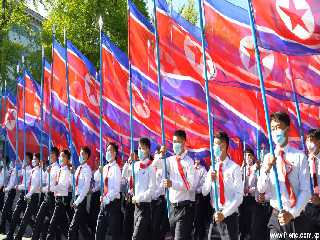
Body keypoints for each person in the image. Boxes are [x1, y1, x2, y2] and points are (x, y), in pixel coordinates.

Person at [257, 112, 311, 239]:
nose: (275, 132)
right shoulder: (268, 157)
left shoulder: (299, 156)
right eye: (273, 128)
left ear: (287, 129)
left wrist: (291, 214)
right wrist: (267, 168)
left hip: (296, 218)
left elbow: (306, 190)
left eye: (278, 127)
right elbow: (261, 189)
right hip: (276, 217)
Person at [153, 129, 195, 240]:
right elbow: (155, 164)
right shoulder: (170, 160)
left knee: (179, 237)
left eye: (178, 141)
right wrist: (160, 154)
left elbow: (190, 185)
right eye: (174, 141)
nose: (175, 144)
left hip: (184, 208)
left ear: (184, 142)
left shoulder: (189, 162)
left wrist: (173, 184)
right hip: (172, 207)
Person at [202, 131, 243, 240]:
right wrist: (210, 179)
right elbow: (204, 191)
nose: (214, 147)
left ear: (224, 146)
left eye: (216, 144)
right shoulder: (212, 168)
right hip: (215, 215)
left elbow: (239, 196)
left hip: (229, 216)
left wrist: (224, 214)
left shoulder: (235, 168)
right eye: (213, 144)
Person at [122, 137, 156, 240]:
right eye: (139, 148)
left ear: (148, 150)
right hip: (136, 207)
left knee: (136, 236)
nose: (141, 150)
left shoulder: (151, 167)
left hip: (145, 206)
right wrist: (128, 162)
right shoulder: (135, 165)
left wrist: (139, 197)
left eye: (143, 148)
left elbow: (152, 189)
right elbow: (124, 175)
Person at [31, 147, 60, 240]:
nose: (50, 155)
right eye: (50, 153)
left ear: (56, 156)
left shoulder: (57, 168)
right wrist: (45, 171)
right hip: (46, 197)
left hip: (52, 196)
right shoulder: (49, 167)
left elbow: (52, 185)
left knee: (52, 221)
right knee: (39, 217)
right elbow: (44, 180)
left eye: (52, 154)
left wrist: (42, 189)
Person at [95, 142, 122, 240]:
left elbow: (116, 189)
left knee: (115, 234)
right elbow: (96, 178)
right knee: (99, 233)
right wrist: (99, 170)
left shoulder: (116, 169)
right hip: (104, 205)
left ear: (115, 153)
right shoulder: (105, 167)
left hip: (113, 205)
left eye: (110, 150)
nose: (107, 152)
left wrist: (107, 198)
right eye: (106, 150)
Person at [5, 152, 33, 240]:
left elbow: (27, 184)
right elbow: (17, 173)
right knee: (16, 215)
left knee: (27, 218)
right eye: (24, 158)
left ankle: (38, 230)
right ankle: (10, 235)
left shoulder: (30, 171)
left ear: (30, 160)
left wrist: (18, 186)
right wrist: (15, 167)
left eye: (27, 159)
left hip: (27, 195)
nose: (24, 160)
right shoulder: (24, 169)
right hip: (22, 195)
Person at [14, 153, 42, 240]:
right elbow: (24, 173)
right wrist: (21, 167)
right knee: (34, 218)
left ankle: (19, 237)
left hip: (33, 196)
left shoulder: (38, 171)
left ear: (39, 161)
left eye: (35, 159)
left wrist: (28, 194)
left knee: (26, 218)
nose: (33, 161)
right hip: (31, 196)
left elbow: (34, 185)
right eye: (33, 159)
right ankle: (39, 234)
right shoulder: (33, 170)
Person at [68, 146, 93, 240]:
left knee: (72, 227)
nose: (80, 156)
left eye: (82, 154)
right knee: (83, 228)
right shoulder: (78, 168)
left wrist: (77, 201)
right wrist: (71, 174)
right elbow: (74, 184)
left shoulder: (87, 170)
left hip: (81, 200)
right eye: (80, 154)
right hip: (76, 198)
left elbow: (86, 188)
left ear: (86, 155)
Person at [46, 149, 72, 240]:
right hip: (57, 199)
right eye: (60, 156)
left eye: (63, 156)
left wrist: (52, 188)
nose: (61, 158)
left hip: (62, 200)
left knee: (52, 225)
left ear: (68, 159)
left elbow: (64, 186)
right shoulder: (60, 170)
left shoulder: (67, 171)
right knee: (64, 227)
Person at [239, 148, 259, 240]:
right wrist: (241, 169)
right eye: (246, 156)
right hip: (243, 199)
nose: (247, 157)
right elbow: (238, 182)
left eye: (249, 155)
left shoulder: (257, 167)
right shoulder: (243, 168)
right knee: (243, 221)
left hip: (253, 199)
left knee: (252, 222)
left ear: (253, 157)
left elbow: (259, 184)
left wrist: (251, 190)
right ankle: (243, 236)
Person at [151, 148, 169, 240]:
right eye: (154, 154)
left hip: (160, 199)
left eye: (157, 154)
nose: (155, 155)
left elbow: (162, 185)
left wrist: (154, 194)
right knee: (152, 225)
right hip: (152, 199)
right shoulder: (153, 168)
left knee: (157, 225)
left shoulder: (163, 169)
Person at [304, 129, 320, 233]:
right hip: (308, 207)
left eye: (311, 140)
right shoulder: (304, 161)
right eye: (306, 141)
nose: (308, 144)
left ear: (319, 142)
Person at [121, 150, 138, 240]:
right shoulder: (129, 167)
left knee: (135, 223)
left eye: (133, 155)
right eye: (131, 155)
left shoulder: (139, 167)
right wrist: (127, 163)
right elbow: (123, 178)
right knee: (127, 221)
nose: (131, 156)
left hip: (137, 198)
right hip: (128, 198)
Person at [193, 159, 209, 240]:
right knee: (192, 218)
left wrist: (196, 190)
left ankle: (200, 235)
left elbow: (204, 183)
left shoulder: (203, 169)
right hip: (190, 196)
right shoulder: (190, 168)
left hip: (199, 197)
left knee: (198, 218)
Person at [0, 160, 17, 234]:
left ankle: (4, 229)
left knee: (5, 211)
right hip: (6, 191)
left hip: (8, 191)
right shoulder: (6, 170)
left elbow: (6, 182)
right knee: (7, 212)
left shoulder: (9, 170)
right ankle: (6, 229)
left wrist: (5, 189)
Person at [89, 153, 101, 236]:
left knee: (95, 213)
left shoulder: (101, 171)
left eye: (98, 160)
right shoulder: (93, 171)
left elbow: (100, 185)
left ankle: (95, 232)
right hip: (92, 194)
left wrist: (92, 190)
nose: (96, 162)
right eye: (96, 160)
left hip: (97, 194)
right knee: (91, 212)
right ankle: (92, 229)